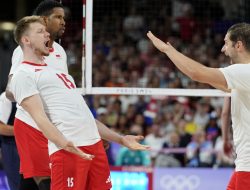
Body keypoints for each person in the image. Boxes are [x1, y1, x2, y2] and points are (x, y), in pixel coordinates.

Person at [10, 15, 149, 190]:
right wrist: (62, 143)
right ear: (26, 40)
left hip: (94, 146)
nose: (47, 35)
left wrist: (120, 139)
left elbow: (86, 117)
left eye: (46, 31)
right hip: (69, 149)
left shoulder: (58, 72)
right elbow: (40, 118)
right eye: (40, 32)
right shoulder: (23, 74)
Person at [147, 22, 250, 190]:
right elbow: (206, 77)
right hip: (243, 164)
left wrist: (167, 50)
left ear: (238, 45)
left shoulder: (244, 71)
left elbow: (197, 73)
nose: (223, 49)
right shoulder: (242, 78)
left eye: (226, 43)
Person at [5, 1, 67, 189]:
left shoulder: (60, 51)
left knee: (31, 181)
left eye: (63, 18)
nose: (63, 22)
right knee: (45, 180)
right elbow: (11, 90)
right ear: (44, 20)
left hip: (55, 124)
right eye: (58, 17)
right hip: (33, 124)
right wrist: (36, 93)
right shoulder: (24, 50)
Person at [0, 92, 39, 190]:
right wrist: (25, 129)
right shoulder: (6, 98)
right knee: (18, 185)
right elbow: (1, 128)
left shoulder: (34, 95)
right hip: (13, 147)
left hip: (34, 145)